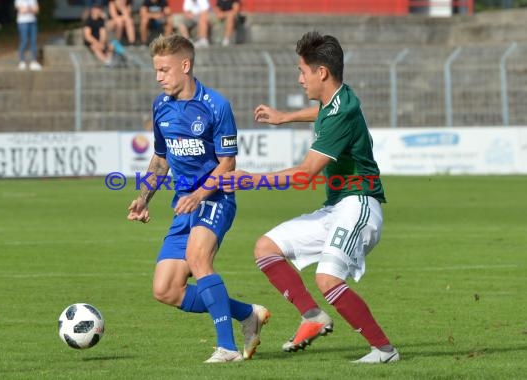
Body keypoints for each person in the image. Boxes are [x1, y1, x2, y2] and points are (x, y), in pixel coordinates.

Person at [224, 31, 400, 364]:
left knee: (327, 277)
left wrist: (251, 180)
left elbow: (305, 174)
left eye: (303, 70)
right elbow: (322, 114)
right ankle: (312, 316)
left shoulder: (341, 112)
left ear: (322, 72)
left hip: (360, 203)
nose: (299, 78)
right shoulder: (336, 100)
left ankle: (384, 350)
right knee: (266, 248)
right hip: (338, 206)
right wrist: (285, 117)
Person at [127, 35, 270, 363]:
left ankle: (227, 348)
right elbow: (161, 159)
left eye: (164, 69)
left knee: (198, 257)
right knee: (166, 289)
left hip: (216, 197)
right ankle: (248, 314)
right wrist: (143, 197)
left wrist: (200, 193)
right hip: (185, 203)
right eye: (156, 70)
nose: (158, 76)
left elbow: (228, 163)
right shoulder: (161, 106)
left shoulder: (216, 105)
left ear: (185, 66)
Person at [15, 0, 42, 70]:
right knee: (24, 41)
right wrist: (31, 9)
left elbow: (37, 10)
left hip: (33, 22)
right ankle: (22, 61)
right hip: (23, 22)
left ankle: (34, 61)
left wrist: (28, 9)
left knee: (33, 41)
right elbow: (21, 10)